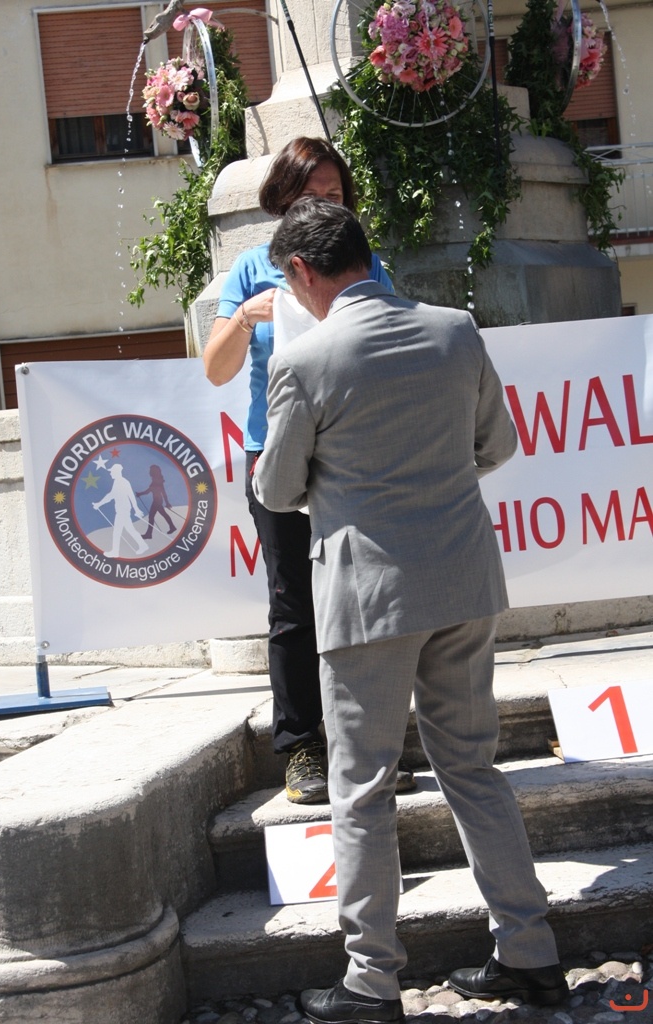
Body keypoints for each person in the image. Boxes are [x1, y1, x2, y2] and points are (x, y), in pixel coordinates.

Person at [253, 198, 569, 1022]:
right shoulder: (455, 329)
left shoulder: (304, 359)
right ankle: (530, 952)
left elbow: (277, 490)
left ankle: (371, 979)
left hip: (367, 596)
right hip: (462, 578)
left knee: (360, 788)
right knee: (472, 769)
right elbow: (497, 446)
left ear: (302, 272)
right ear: (364, 253)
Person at [204, 137, 416, 804]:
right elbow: (214, 370)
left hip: (355, 453)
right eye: (308, 194)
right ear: (281, 199)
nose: (323, 204)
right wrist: (245, 318)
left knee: (367, 598)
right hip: (276, 455)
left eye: (333, 194)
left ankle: (370, 743)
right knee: (294, 603)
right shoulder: (251, 268)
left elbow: (392, 349)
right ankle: (302, 747)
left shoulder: (366, 266)